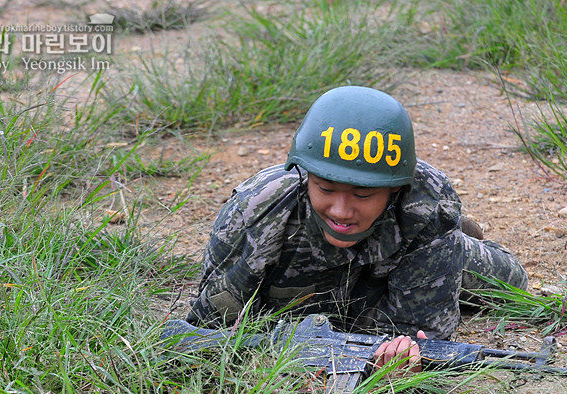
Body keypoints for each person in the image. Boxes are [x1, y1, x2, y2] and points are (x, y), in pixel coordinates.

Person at [187, 86, 527, 372]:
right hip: (324, 298)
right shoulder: (256, 213)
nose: (341, 210)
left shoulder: (424, 204)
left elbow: (425, 333)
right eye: (325, 189)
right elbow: (208, 329)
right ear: (305, 176)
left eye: (363, 194)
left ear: (395, 189)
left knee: (511, 282)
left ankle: (452, 241)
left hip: (404, 248)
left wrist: (397, 360)